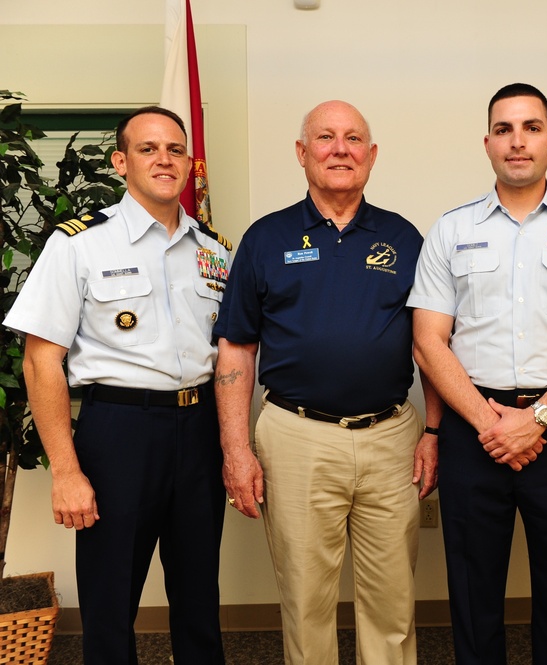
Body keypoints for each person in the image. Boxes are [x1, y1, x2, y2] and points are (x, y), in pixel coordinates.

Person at [213, 100, 438, 665]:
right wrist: (237, 449)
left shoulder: (405, 238)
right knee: (306, 599)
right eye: (325, 137)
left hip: (392, 438)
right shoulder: (265, 239)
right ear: (301, 152)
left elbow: (432, 345)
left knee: (392, 600)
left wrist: (433, 431)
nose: (341, 149)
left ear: (372, 155)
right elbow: (236, 346)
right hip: (296, 437)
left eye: (354, 138)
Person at [4, 106, 232, 664]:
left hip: (199, 428)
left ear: (188, 163)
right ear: (120, 161)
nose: (164, 159)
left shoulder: (217, 249)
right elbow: (40, 361)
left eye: (175, 150)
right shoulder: (80, 243)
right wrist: (67, 471)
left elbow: (232, 355)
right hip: (120, 432)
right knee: (110, 603)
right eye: (148, 148)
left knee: (200, 598)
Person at [408, 83, 547, 664]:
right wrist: (490, 422)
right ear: (487, 144)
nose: (517, 141)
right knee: (473, 592)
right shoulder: (451, 229)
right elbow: (428, 342)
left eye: (531, 128)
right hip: (472, 428)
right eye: (504, 129)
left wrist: (538, 418)